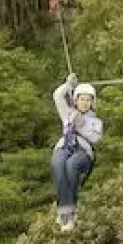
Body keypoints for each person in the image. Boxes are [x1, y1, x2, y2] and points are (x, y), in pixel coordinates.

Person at [50, 73, 103, 231]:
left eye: (88, 100)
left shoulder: (95, 122)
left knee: (71, 165)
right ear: (76, 100)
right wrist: (68, 85)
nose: (85, 103)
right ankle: (64, 211)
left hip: (83, 152)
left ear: (92, 103)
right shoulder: (68, 114)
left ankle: (71, 210)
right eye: (82, 99)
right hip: (65, 146)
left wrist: (80, 125)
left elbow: (95, 138)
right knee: (57, 162)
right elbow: (58, 96)